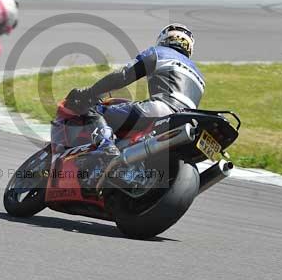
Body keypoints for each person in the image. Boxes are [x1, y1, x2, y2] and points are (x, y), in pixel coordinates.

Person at [65, 23, 204, 184]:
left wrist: (90, 92)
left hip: (160, 110)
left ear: (164, 38)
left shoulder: (159, 53)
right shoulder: (199, 75)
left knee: (94, 111)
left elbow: (123, 76)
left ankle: (107, 149)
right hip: (184, 120)